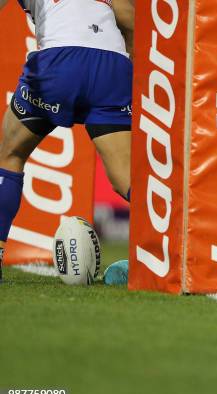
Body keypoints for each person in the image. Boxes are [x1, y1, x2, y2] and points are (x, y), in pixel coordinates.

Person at [0, 0, 134, 281]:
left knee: (9, 154)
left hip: (59, 61)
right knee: (127, 178)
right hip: (112, 66)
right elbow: (128, 18)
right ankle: (175, 257)